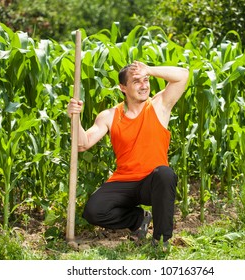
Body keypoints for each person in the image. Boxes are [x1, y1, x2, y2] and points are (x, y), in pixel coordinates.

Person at [67, 61, 189, 247]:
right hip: (124, 181)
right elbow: (82, 144)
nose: (144, 85)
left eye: (146, 80)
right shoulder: (109, 115)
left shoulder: (159, 106)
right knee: (93, 211)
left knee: (165, 174)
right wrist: (74, 118)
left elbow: (183, 75)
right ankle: (138, 220)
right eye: (136, 81)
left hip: (152, 182)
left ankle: (161, 240)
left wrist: (149, 70)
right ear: (122, 87)